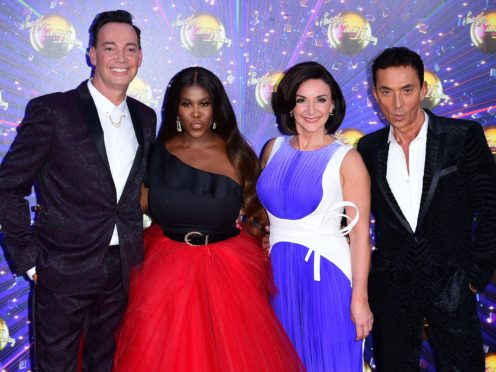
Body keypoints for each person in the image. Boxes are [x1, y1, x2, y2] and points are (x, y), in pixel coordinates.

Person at [112, 67, 304, 372]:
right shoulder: (156, 154)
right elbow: (130, 205)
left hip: (228, 276)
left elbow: (261, 215)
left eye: (204, 103)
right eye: (187, 104)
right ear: (176, 108)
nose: (196, 113)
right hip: (163, 276)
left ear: (216, 107)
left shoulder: (238, 153)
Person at [0, 10, 156, 371]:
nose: (121, 58)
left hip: (122, 269)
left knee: (106, 362)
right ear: (91, 54)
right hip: (62, 266)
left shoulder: (145, 118)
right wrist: (29, 259)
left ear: (140, 57)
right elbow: (8, 186)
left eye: (130, 49)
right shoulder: (53, 111)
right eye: (110, 48)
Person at [357, 46, 496, 371]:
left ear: (423, 88)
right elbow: (352, 216)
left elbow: (492, 207)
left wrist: (474, 277)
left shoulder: (461, 136)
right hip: (392, 287)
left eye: (407, 90)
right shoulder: (368, 148)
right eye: (386, 91)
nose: (397, 103)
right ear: (375, 93)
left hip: (453, 284)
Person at [256, 61, 373, 371]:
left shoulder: (348, 159)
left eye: (320, 99)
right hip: (278, 276)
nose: (311, 110)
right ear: (289, 105)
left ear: (332, 104)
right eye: (301, 100)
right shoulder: (272, 149)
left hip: (328, 276)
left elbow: (360, 236)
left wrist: (359, 299)